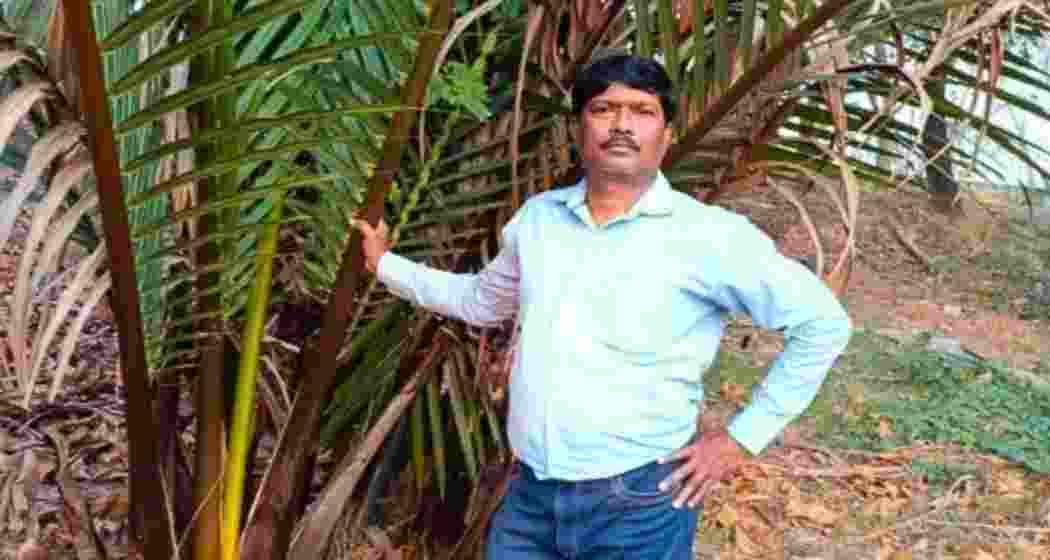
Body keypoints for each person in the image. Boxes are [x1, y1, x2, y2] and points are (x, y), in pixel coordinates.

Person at [354, 53, 851, 559]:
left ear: (667, 134)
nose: (621, 125)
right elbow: (481, 301)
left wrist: (740, 440)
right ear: (578, 129)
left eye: (641, 111)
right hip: (529, 497)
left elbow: (823, 323)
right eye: (603, 109)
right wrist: (386, 266)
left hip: (640, 504)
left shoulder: (710, 236)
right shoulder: (539, 221)